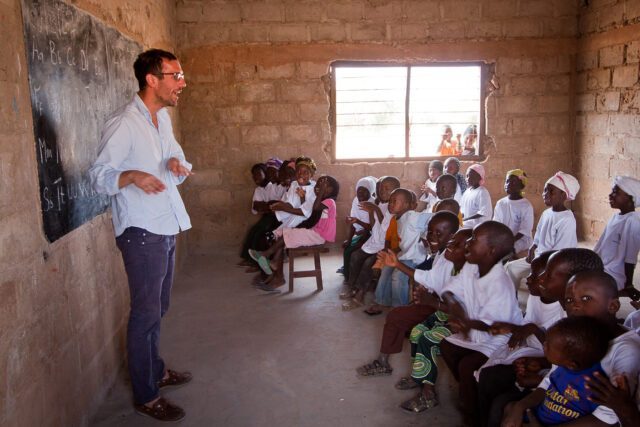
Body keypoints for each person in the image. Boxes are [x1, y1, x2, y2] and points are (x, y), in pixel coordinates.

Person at [89, 49, 192, 421]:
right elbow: (98, 176)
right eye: (175, 76)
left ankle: (156, 370)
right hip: (141, 230)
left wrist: (174, 164)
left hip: (165, 223)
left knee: (158, 308)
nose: (182, 83)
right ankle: (146, 394)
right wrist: (131, 176)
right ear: (152, 79)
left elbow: (174, 155)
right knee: (145, 314)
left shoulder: (160, 119)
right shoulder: (123, 123)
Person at [478, 248, 604, 427]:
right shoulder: (571, 318)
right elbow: (560, 368)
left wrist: (540, 377)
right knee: (496, 389)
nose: (540, 279)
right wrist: (543, 368)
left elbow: (600, 407)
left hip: (565, 404)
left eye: (548, 274)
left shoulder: (584, 329)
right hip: (551, 384)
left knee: (498, 387)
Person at [355, 212, 462, 376]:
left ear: (453, 236)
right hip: (435, 303)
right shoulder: (442, 254)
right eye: (430, 231)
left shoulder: (451, 258)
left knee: (404, 321)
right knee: (396, 316)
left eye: (438, 233)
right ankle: (383, 362)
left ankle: (401, 371)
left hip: (444, 310)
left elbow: (435, 283)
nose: (432, 236)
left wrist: (399, 265)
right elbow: (430, 279)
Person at [438, 221, 523, 423]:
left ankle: (472, 414)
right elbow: (449, 289)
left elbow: (493, 327)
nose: (467, 242)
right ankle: (470, 391)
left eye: (474, 239)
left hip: (501, 339)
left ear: (491, 251)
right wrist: (455, 306)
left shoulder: (500, 284)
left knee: (467, 366)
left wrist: (464, 321)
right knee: (447, 346)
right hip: (476, 333)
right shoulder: (471, 267)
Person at [501, 316, 615, 426]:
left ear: (571, 364)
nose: (544, 345)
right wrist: (519, 407)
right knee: (510, 408)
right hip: (541, 415)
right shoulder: (563, 367)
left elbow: (603, 420)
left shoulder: (595, 385)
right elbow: (546, 388)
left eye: (548, 345)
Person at [249, 176, 339, 291]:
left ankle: (266, 255)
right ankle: (275, 265)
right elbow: (311, 217)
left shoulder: (329, 202)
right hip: (314, 232)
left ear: (330, 190)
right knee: (282, 233)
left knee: (287, 233)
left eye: (323, 185)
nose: (319, 186)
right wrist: (303, 199)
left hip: (319, 236)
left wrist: (320, 192)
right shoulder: (320, 200)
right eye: (318, 184)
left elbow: (315, 208)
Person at [505, 171, 580, 291]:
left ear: (563, 196)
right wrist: (533, 247)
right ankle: (511, 302)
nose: (545, 194)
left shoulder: (567, 219)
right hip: (539, 258)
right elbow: (538, 236)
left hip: (554, 263)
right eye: (545, 190)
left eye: (551, 191)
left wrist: (539, 261)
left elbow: (561, 252)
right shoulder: (547, 213)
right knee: (510, 268)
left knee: (536, 281)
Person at [365, 189, 430, 315]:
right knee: (385, 270)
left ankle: (398, 308)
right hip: (402, 256)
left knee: (398, 276)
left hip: (413, 258)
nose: (390, 204)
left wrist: (427, 235)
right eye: (390, 201)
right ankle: (382, 301)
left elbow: (432, 218)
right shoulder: (397, 219)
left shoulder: (412, 216)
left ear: (406, 205)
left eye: (395, 201)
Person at [340, 177, 401, 309]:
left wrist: (375, 210)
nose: (382, 191)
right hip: (375, 241)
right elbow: (375, 228)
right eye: (381, 188)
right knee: (355, 256)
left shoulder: (394, 207)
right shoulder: (379, 204)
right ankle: (351, 287)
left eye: (387, 188)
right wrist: (373, 210)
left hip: (387, 245)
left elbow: (386, 228)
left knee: (369, 263)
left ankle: (359, 296)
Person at [593, 176, 640, 298]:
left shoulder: (633, 221)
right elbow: (599, 246)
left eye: (615, 192)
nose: (610, 195)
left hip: (613, 274)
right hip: (600, 266)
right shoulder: (615, 217)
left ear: (630, 197)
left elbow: (630, 257)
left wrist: (628, 284)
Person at [339, 176, 377, 280]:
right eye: (359, 190)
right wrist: (349, 239)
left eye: (364, 191)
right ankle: (347, 274)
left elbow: (373, 228)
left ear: (370, 191)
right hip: (360, 234)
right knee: (347, 247)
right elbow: (353, 223)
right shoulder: (356, 201)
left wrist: (358, 221)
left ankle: (352, 277)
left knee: (351, 251)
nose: (360, 193)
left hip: (371, 236)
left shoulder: (373, 203)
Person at [493, 169, 534, 256]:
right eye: (507, 181)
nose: (508, 185)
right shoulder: (501, 203)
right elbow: (496, 224)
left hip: (521, 239)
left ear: (521, 185)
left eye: (513, 182)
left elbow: (525, 230)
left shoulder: (526, 205)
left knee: (508, 251)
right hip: (504, 239)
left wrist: (509, 241)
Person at [270, 156, 317, 229]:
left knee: (283, 233)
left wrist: (284, 208)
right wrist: (280, 205)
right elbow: (290, 203)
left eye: (305, 172)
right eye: (298, 171)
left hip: (303, 221)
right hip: (290, 216)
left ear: (312, 175)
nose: (301, 175)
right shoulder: (294, 184)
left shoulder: (314, 189)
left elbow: (305, 212)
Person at [460, 164, 493, 229]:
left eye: (472, 177)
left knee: (458, 227)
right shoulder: (467, 191)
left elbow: (482, 213)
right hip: (467, 222)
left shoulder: (482, 192)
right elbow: (462, 209)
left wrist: (465, 219)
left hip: (478, 224)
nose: (468, 179)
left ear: (480, 178)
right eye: (467, 176)